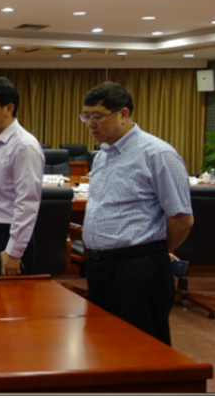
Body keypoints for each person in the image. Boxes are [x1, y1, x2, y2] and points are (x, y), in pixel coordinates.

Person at [81, 81, 193, 346]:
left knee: (144, 348)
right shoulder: (102, 156)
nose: (90, 124)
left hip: (138, 269)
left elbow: (182, 219)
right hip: (99, 267)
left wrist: (154, 250)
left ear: (123, 114)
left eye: (98, 116)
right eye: (86, 116)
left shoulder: (157, 154)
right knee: (103, 346)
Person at [0, 77, 44, 276]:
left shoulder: (23, 146)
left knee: (9, 296)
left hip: (9, 238)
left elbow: (27, 202)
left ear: (8, 108)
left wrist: (14, 251)